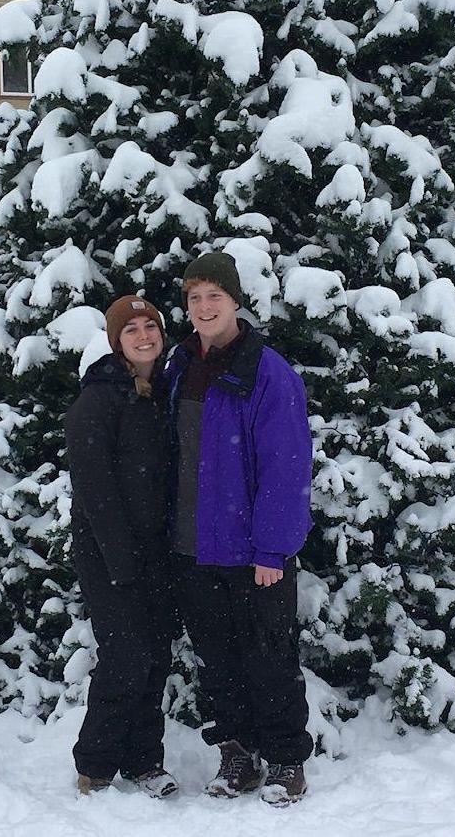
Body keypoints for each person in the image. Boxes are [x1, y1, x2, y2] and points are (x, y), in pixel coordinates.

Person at [163, 251, 314, 807]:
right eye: (195, 297)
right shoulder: (181, 365)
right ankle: (238, 754)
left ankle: (287, 760)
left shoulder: (267, 372)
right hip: (192, 545)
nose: (204, 307)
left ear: (236, 302)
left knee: (269, 657)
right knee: (218, 661)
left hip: (252, 551)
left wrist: (273, 548)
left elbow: (286, 466)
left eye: (215, 296)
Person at [64, 295, 179, 799]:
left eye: (150, 326)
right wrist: (121, 559)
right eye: (131, 330)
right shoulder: (98, 399)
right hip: (109, 552)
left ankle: (144, 761)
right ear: (116, 341)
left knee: (155, 656)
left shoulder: (164, 390)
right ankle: (95, 765)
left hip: (159, 551)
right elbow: (94, 490)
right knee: (126, 655)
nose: (143, 336)